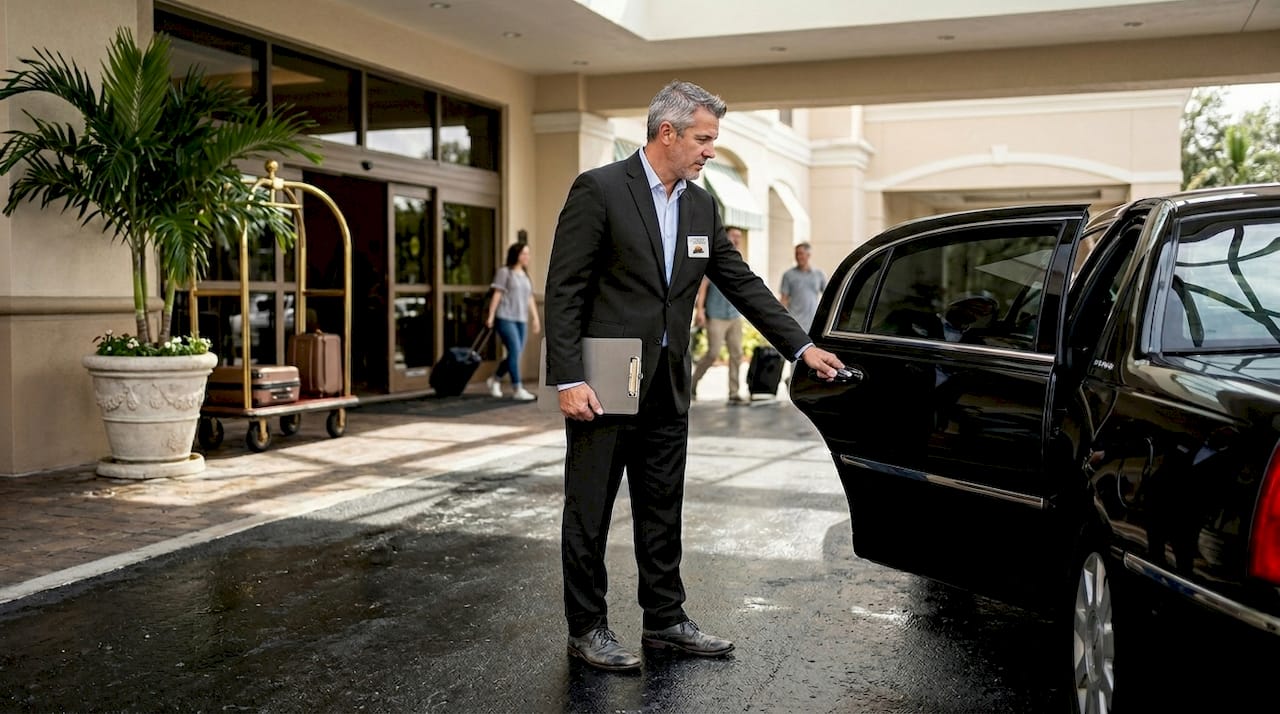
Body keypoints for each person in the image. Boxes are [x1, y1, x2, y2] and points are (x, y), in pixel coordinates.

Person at [543, 80, 844, 672]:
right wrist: (567, 377)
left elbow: (743, 282)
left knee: (662, 504)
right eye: (704, 139)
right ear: (667, 133)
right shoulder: (600, 189)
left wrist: (800, 347)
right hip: (605, 378)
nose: (711, 151)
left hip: (668, 380)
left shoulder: (704, 205)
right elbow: (565, 289)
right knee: (590, 508)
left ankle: (665, 620)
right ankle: (587, 628)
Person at [691, 226, 746, 403]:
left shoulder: (739, 260)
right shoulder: (714, 258)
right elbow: (703, 287)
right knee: (713, 353)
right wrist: (700, 310)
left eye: (739, 236)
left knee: (736, 354)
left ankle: (734, 392)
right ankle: (691, 384)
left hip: (734, 315)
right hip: (716, 315)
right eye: (733, 236)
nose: (736, 239)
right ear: (726, 237)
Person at [485, 242, 541, 401]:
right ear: (515, 254)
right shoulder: (505, 272)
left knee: (514, 354)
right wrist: (491, 315)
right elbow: (497, 294)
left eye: (528, 254)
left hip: (521, 319)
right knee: (515, 352)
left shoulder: (525, 275)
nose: (527, 257)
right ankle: (518, 388)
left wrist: (536, 318)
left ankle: (495, 379)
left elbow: (530, 298)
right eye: (524, 253)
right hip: (505, 317)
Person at [779, 242, 827, 333]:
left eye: (801, 254)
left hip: (813, 323)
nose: (798, 257)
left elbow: (828, 297)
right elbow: (784, 299)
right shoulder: (788, 275)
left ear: (808, 255)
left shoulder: (819, 274)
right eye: (796, 254)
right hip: (795, 323)